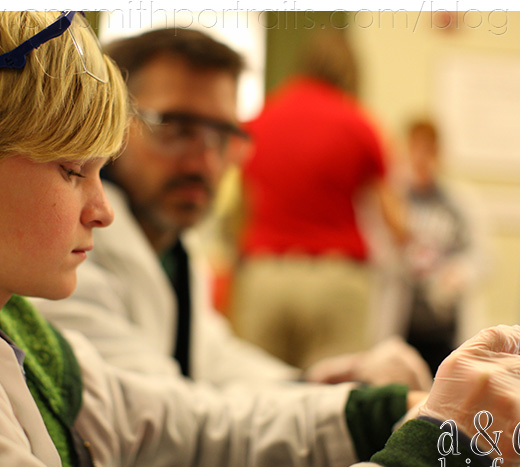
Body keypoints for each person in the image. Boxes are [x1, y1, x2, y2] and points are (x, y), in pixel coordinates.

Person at [0, 12, 520, 467]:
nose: (101, 208)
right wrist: (427, 455)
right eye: (72, 170)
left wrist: (388, 411)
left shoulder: (2, 317)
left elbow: (175, 428)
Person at [31, 27, 431, 391]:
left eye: (221, 135)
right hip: (337, 278)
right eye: (176, 128)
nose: (204, 162)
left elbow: (211, 360)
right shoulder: (66, 251)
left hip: (264, 275)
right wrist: (345, 409)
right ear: (109, 121)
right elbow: (161, 411)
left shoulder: (180, 246)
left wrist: (313, 386)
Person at [231, 30, 407, 370]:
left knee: (256, 387)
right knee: (334, 392)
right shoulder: (359, 124)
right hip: (336, 281)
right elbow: (396, 223)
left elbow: (241, 206)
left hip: (265, 275)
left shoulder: (261, 120)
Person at [398, 119, 486, 374]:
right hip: (405, 323)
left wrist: (459, 274)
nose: (421, 158)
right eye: (415, 149)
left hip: (446, 329)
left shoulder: (459, 203)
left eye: (429, 150)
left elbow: (482, 256)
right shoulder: (394, 201)